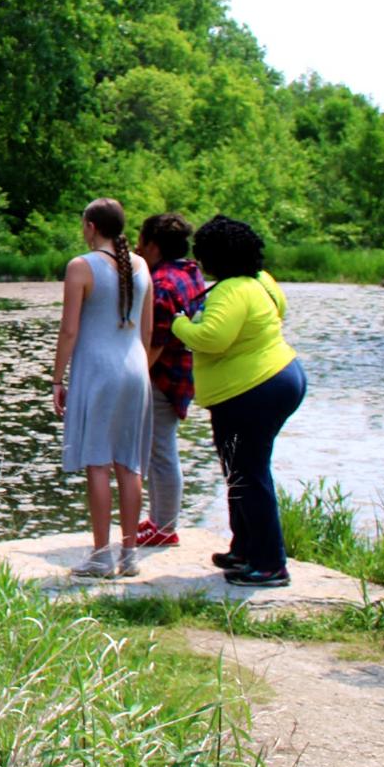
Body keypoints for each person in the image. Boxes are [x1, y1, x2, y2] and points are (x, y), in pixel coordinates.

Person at [170, 214, 304, 588]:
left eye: (203, 254)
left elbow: (212, 338)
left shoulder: (231, 290)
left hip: (253, 391)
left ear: (217, 256)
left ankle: (269, 564)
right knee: (240, 472)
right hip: (278, 379)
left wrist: (180, 322)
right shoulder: (261, 281)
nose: (200, 261)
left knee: (249, 473)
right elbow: (281, 310)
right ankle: (244, 549)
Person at [52, 198, 153, 578]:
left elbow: (70, 330)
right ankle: (130, 555)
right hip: (135, 367)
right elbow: (146, 330)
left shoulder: (82, 267)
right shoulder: (141, 266)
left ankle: (100, 555)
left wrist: (57, 378)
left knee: (98, 462)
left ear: (91, 227)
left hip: (97, 369)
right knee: (129, 462)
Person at [134, 212, 205, 547]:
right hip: (183, 374)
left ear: (154, 245)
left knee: (160, 451)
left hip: (163, 378)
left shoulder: (161, 284)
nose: (136, 247)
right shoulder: (190, 272)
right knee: (159, 449)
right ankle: (160, 519)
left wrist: (133, 378)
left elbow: (157, 344)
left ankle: (165, 527)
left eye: (141, 241)